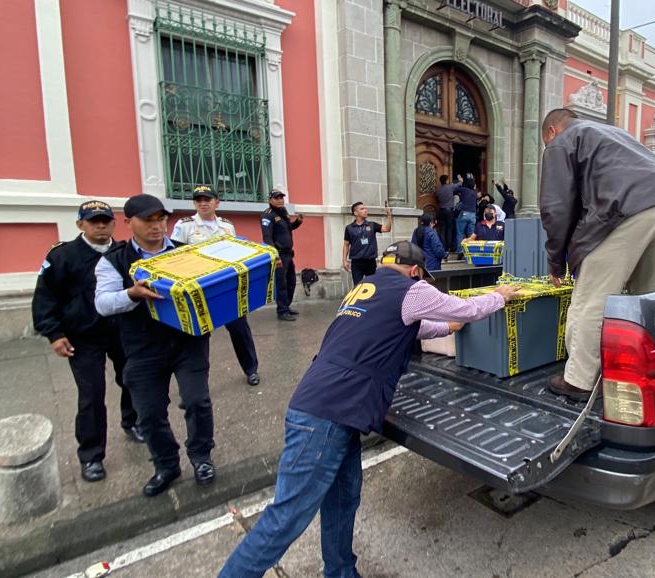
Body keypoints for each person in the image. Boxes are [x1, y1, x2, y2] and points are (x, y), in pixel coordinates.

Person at [219, 242, 521, 577]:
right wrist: (501, 296)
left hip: (330, 408)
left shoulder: (365, 289)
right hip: (327, 415)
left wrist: (446, 329)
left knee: (342, 500)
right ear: (416, 271)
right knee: (286, 518)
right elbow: (463, 309)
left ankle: (341, 573)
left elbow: (409, 327)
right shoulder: (412, 288)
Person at [539, 108, 655, 401]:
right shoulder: (614, 134)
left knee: (591, 300)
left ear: (551, 131)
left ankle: (579, 380)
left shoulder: (561, 140)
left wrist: (556, 263)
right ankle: (647, 368)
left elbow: (556, 207)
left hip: (623, 210)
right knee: (646, 299)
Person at [95, 194, 217, 497]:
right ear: (128, 223)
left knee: (197, 401)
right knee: (148, 413)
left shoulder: (187, 252)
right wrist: (131, 294)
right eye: (148, 220)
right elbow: (102, 303)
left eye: (161, 219)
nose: (157, 226)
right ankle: (166, 465)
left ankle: (201, 457)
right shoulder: (114, 261)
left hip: (188, 342)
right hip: (142, 348)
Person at [32, 201, 143, 483]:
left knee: (131, 379)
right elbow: (45, 298)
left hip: (119, 330)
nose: (101, 225)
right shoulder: (63, 256)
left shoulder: (123, 253)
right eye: (94, 221)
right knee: (92, 395)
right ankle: (92, 455)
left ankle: (132, 422)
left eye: (106, 220)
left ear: (114, 224)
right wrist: (54, 334)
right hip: (82, 337)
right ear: (81, 224)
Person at [171, 185, 261, 386]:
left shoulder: (227, 227)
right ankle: (197, 380)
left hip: (226, 289)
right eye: (198, 200)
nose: (203, 203)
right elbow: (175, 260)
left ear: (216, 202)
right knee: (198, 337)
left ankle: (251, 369)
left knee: (240, 330)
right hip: (197, 290)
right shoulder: (184, 226)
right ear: (194, 203)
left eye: (207, 199)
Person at [262, 189, 304, 322]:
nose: (280, 200)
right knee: (281, 283)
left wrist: (297, 222)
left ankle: (287, 306)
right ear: (270, 200)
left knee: (291, 281)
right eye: (276, 198)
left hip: (288, 254)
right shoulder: (267, 215)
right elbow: (267, 238)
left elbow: (288, 228)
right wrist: (275, 256)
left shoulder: (284, 212)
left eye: (281, 197)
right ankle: (282, 311)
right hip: (279, 255)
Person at [342, 201, 394, 286]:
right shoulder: (349, 228)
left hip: (370, 262)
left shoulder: (372, 225)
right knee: (358, 287)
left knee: (372, 286)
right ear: (355, 213)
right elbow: (346, 244)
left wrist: (389, 215)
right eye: (362, 209)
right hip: (356, 263)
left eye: (365, 208)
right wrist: (344, 260)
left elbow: (387, 229)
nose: (365, 210)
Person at [454, 174, 478, 258]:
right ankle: (470, 251)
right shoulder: (475, 193)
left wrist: (460, 182)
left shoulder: (464, 190)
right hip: (473, 215)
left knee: (460, 233)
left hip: (464, 213)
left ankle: (460, 250)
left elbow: (455, 189)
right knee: (471, 234)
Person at [434, 175, 459, 253]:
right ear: (447, 181)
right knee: (449, 229)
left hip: (441, 211)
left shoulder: (437, 191)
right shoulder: (450, 187)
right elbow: (459, 184)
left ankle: (443, 247)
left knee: (442, 230)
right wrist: (460, 179)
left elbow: (436, 196)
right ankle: (449, 247)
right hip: (449, 211)